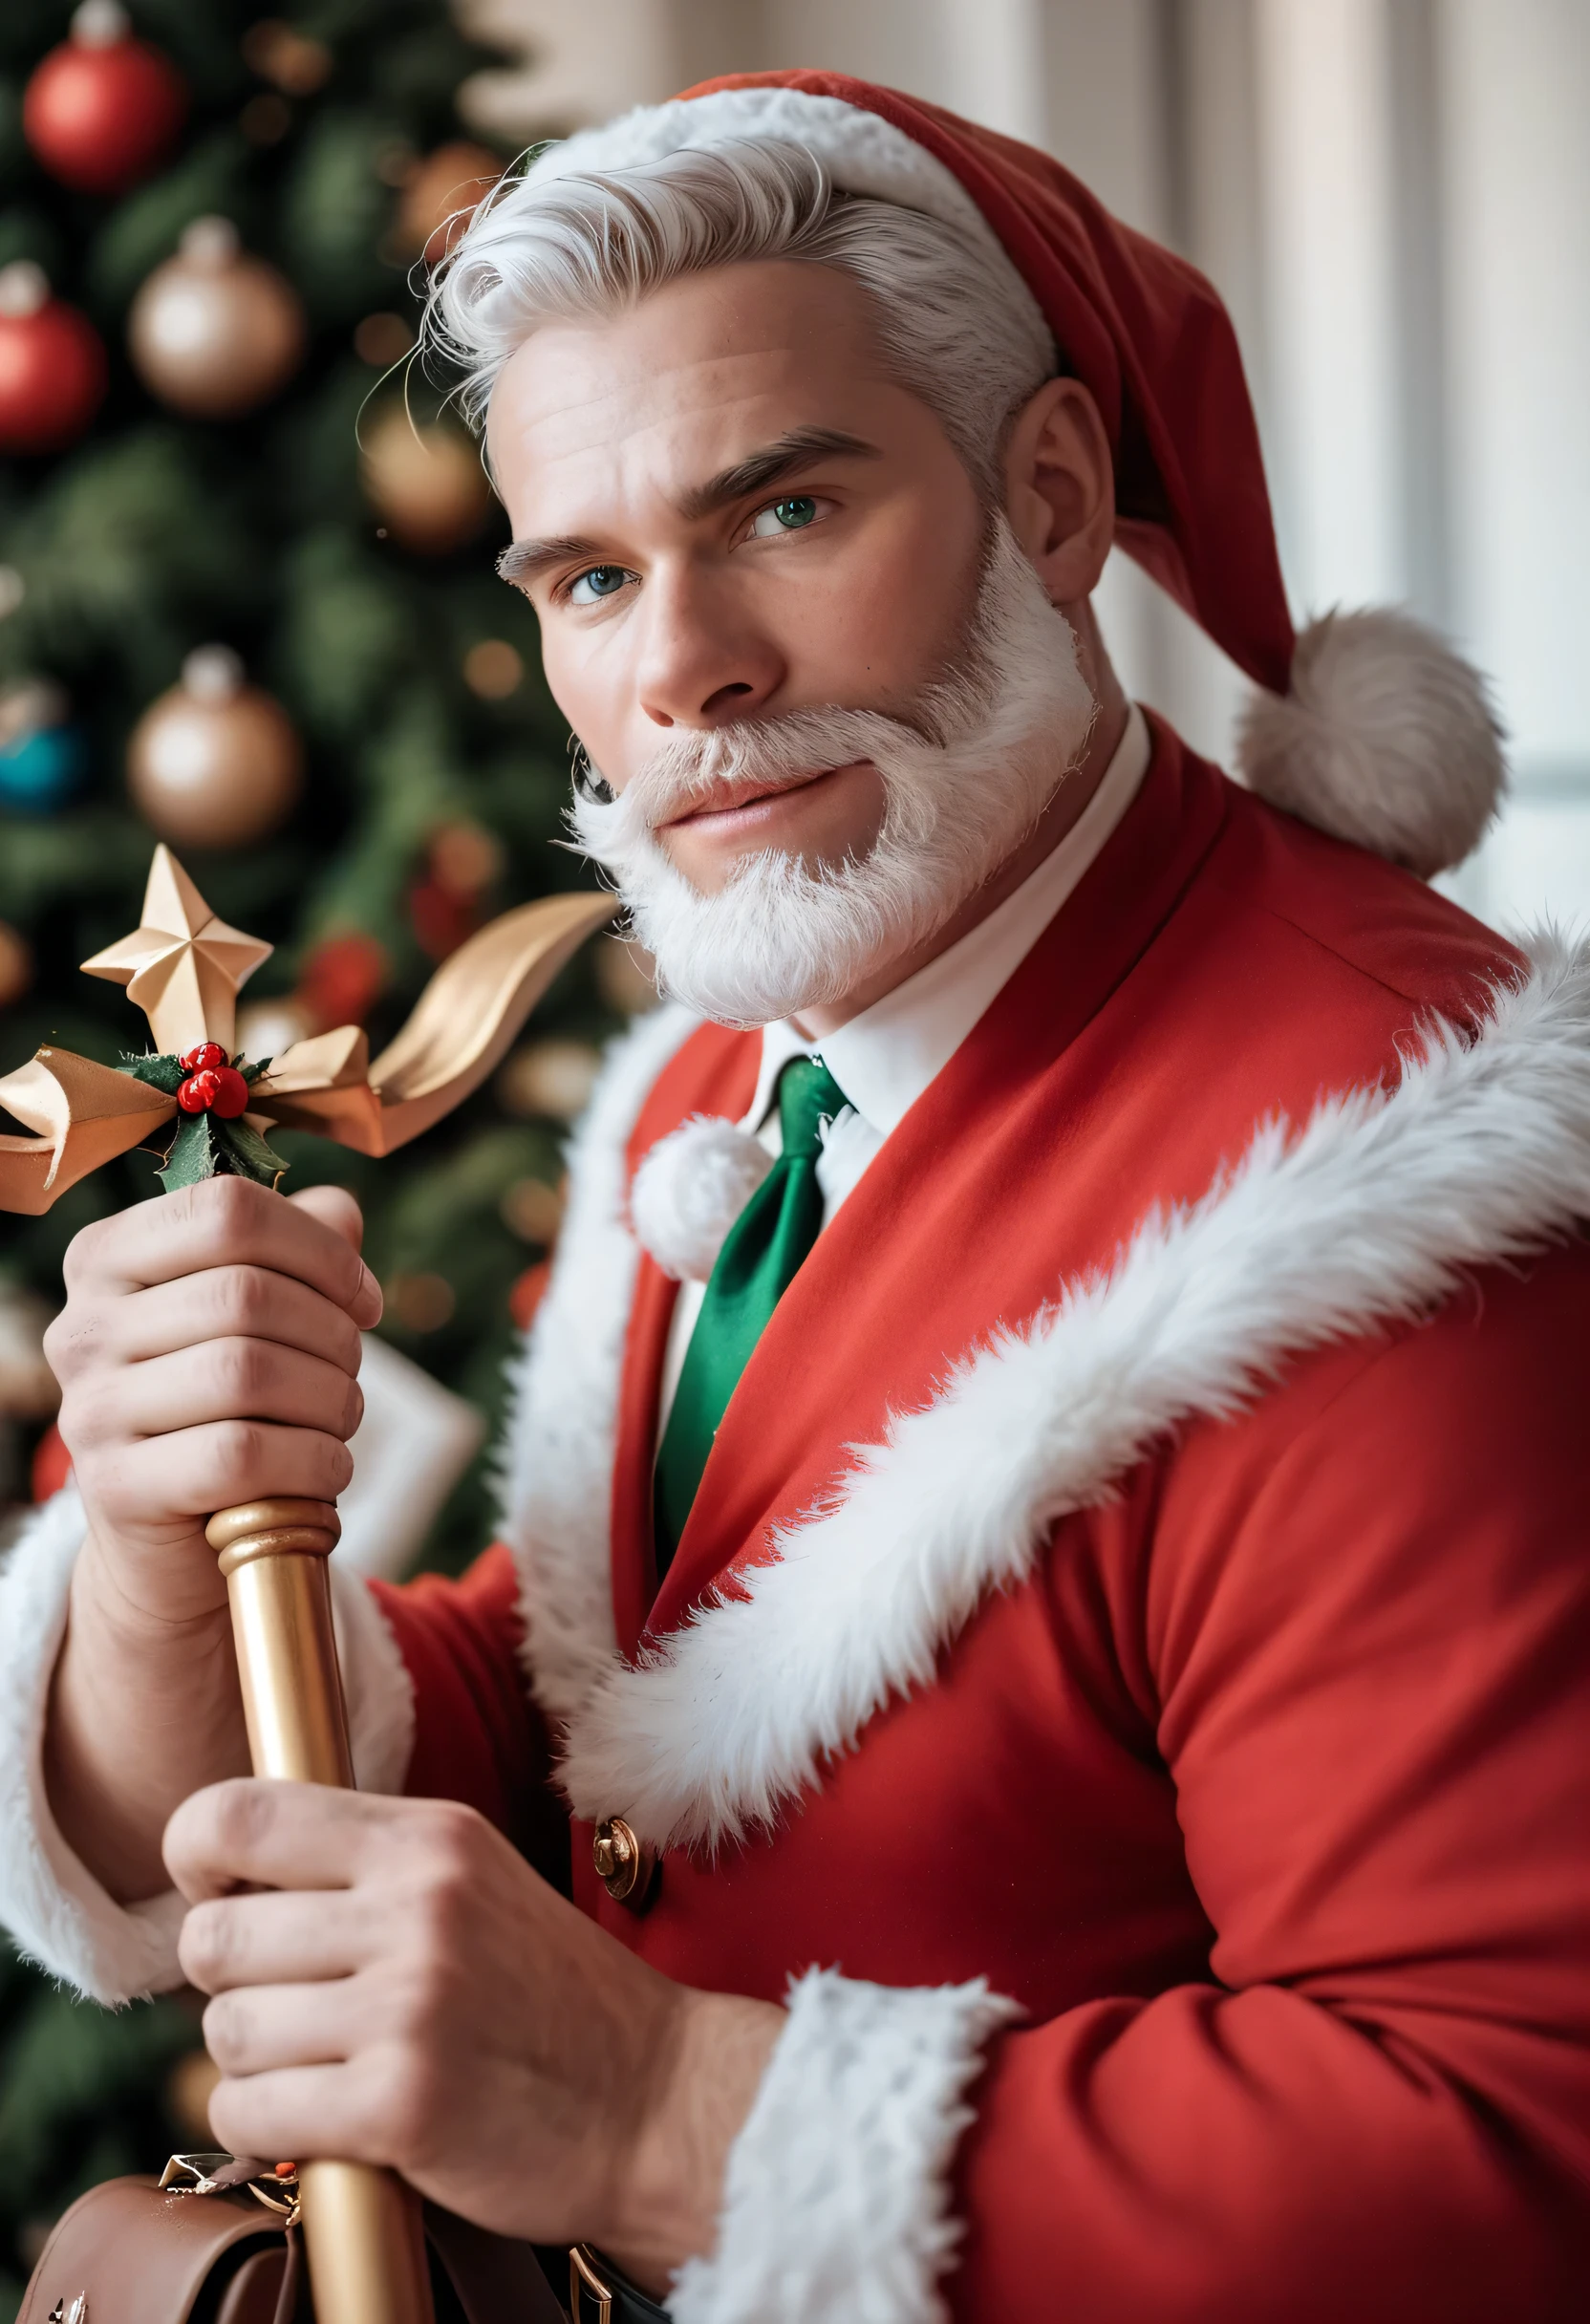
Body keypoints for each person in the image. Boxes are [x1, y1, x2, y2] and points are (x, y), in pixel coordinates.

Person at [3, 68, 1589, 2324]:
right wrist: (166, 1558)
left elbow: (1511, 2157)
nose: (678, 674)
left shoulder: (1401, 1180)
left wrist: (654, 2109)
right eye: (587, 574)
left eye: (786, 510)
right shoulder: (747, 1068)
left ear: (1048, 495)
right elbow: (622, 1724)